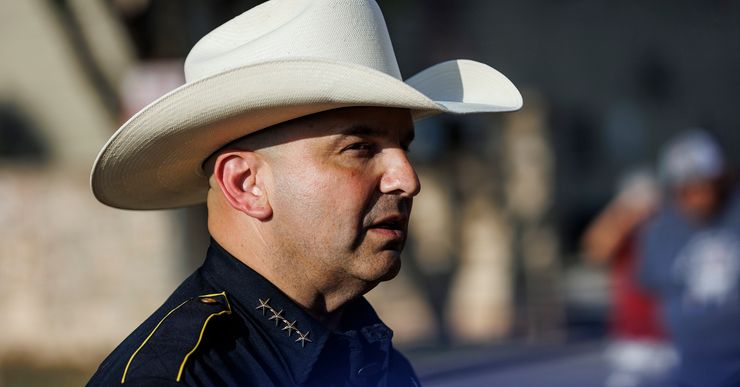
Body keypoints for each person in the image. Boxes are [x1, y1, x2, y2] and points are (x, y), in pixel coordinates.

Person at [86, 0, 522, 386]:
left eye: (404, 147)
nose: (406, 179)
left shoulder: (367, 351)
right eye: (360, 148)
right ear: (246, 184)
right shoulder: (177, 377)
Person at [639, 129, 740, 387]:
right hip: (691, 370)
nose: (695, 197)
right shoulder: (661, 228)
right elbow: (658, 288)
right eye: (684, 189)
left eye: (702, 186)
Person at [582, 170, 676, 387]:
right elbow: (595, 250)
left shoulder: (672, 228)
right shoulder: (623, 233)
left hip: (671, 339)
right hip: (631, 342)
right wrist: (622, 213)